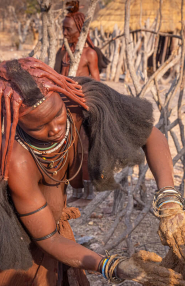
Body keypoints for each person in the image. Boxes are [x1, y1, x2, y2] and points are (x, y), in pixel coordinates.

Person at [0, 58, 185, 286]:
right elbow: (47, 238)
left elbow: (150, 136)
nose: (56, 129)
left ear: (62, 97)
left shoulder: (83, 101)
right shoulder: (16, 160)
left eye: (57, 115)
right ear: (18, 124)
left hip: (45, 226)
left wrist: (169, 202)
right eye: (39, 127)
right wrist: (116, 267)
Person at [54, 2, 110, 207]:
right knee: (69, 149)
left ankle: (88, 193)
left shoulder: (89, 54)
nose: (64, 33)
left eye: (68, 29)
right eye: (63, 28)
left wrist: (92, 108)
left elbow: (97, 83)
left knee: (84, 149)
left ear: (80, 30)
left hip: (83, 109)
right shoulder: (63, 53)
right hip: (63, 108)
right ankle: (75, 189)